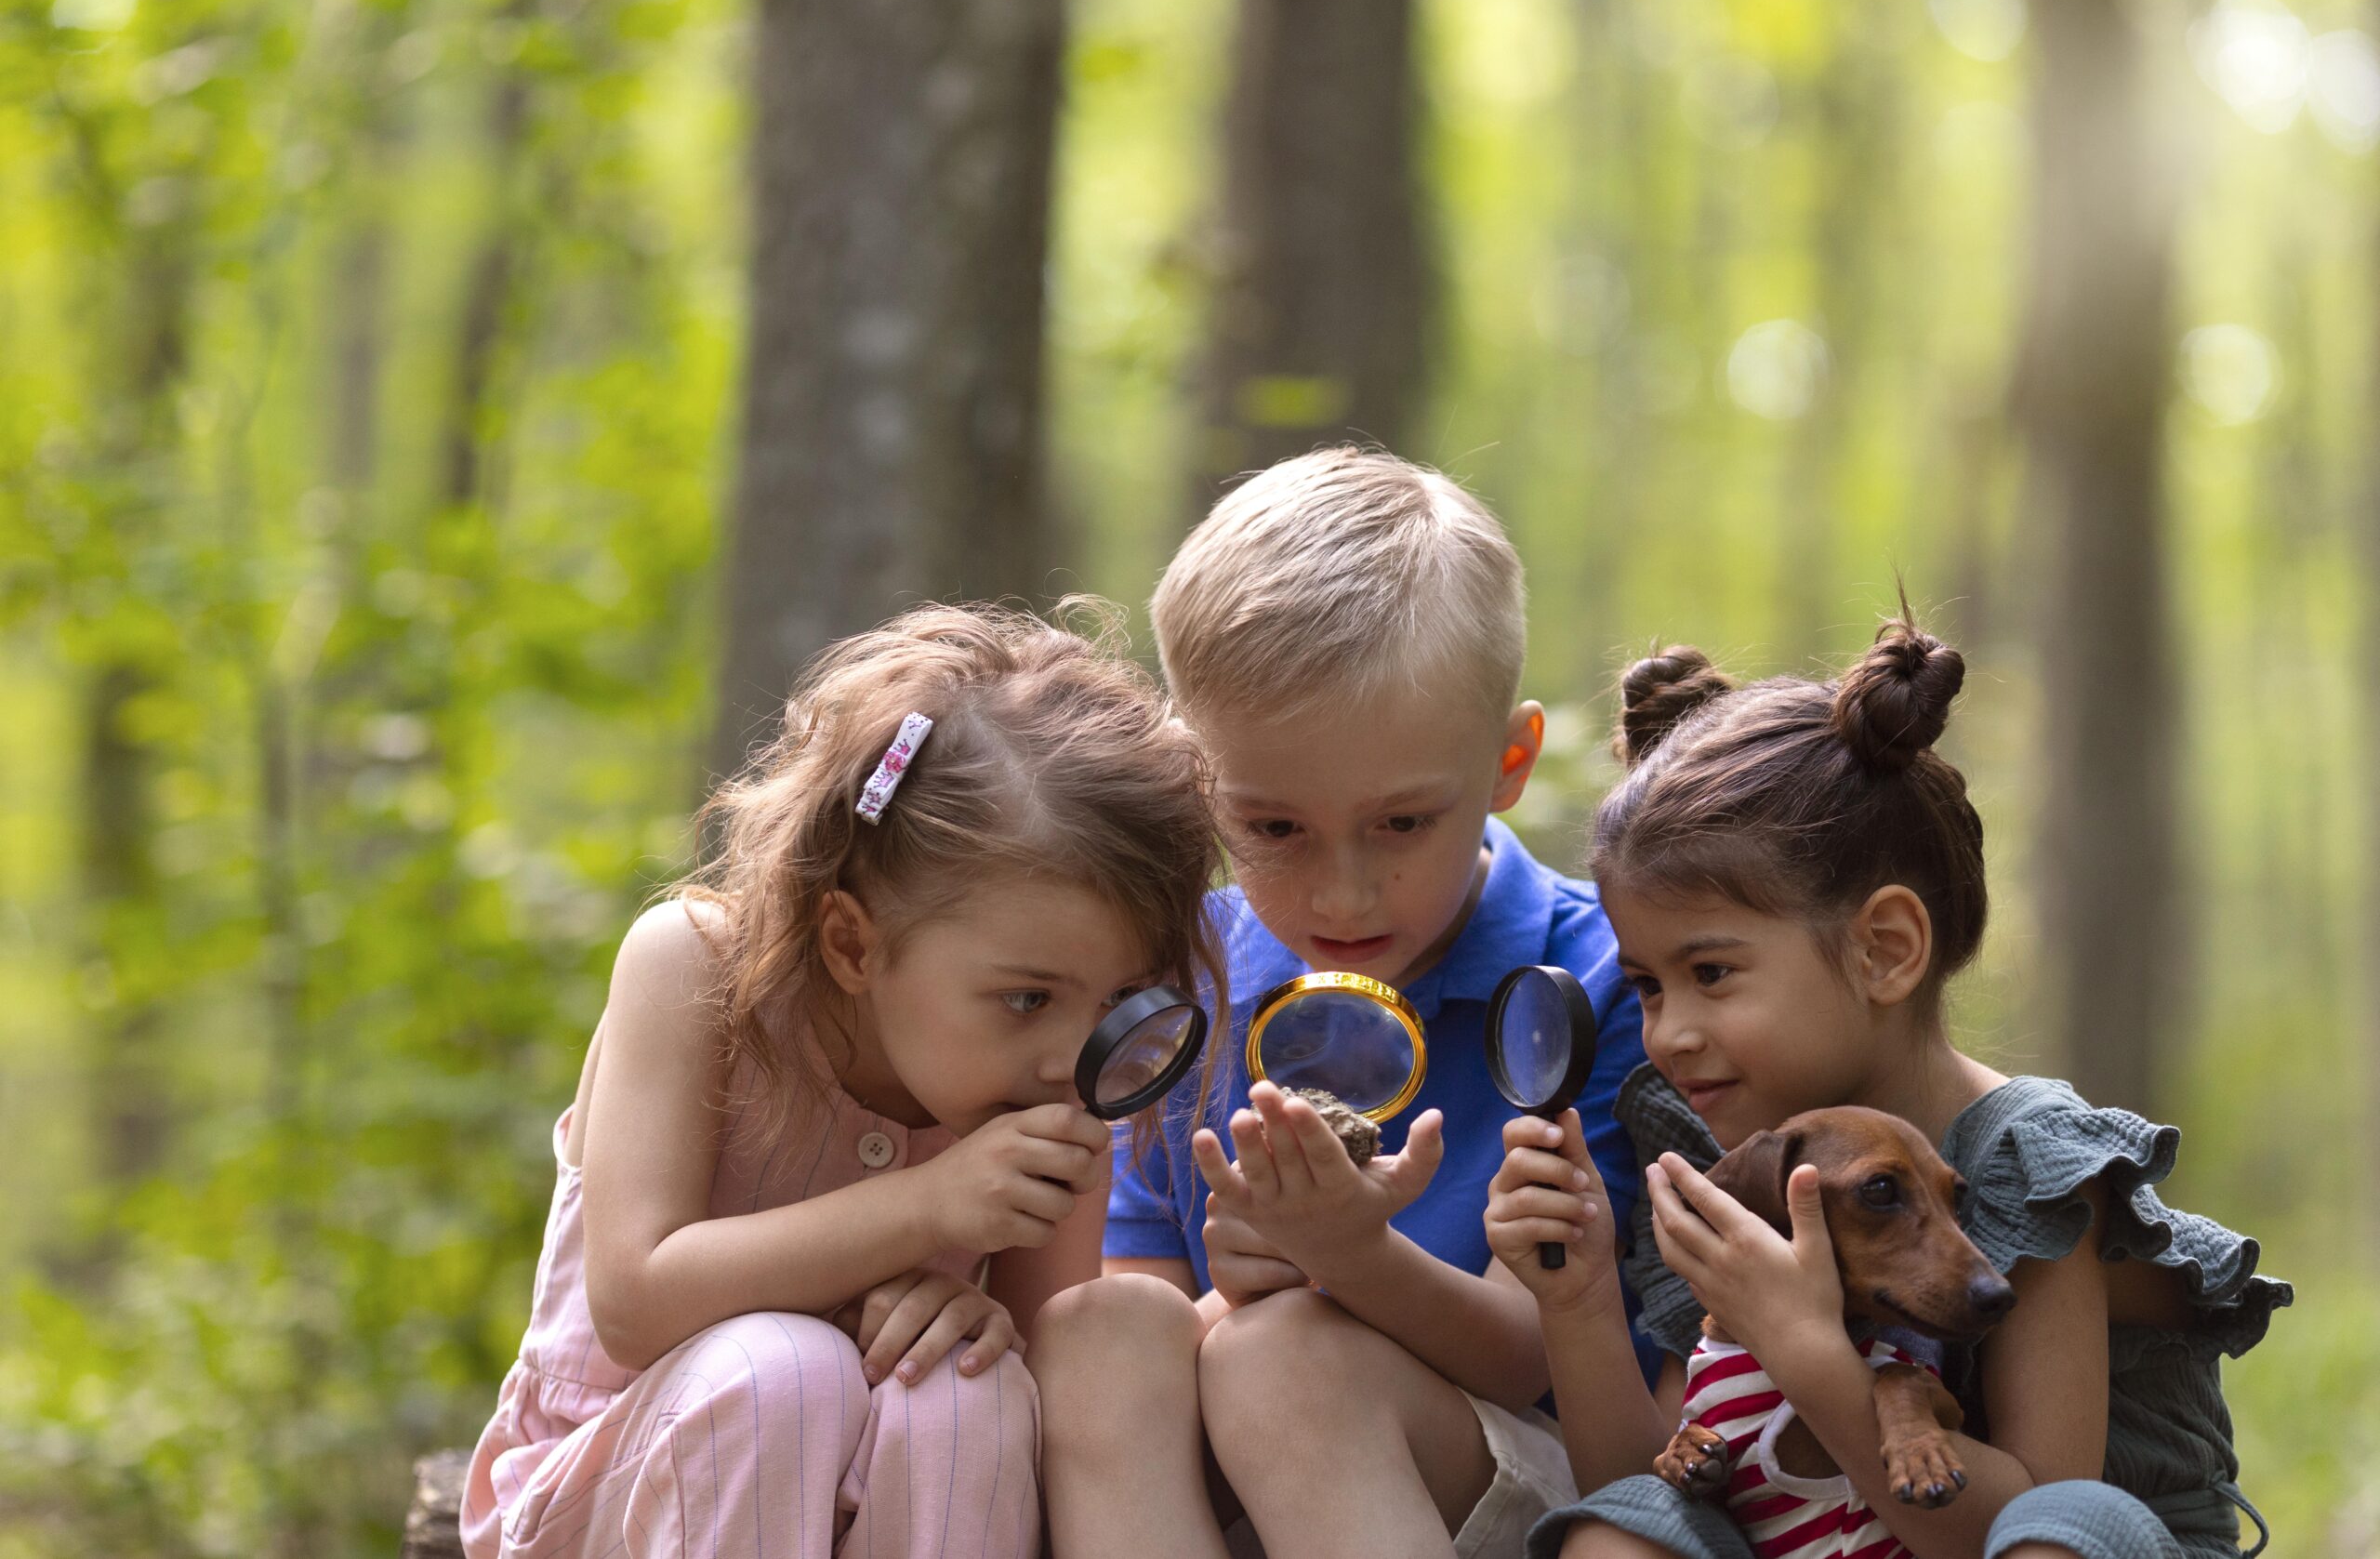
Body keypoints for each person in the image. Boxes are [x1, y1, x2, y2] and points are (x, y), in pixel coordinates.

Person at [1489, 612, 2290, 1559]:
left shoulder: (2024, 1163)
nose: (1666, 1033)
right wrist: (1576, 1303)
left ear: (1884, 949)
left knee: (2068, 1530)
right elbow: (1668, 1480)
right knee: (1615, 1535)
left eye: (1709, 975)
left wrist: (1805, 1352)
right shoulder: (1743, 1173)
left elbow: (2035, 1517)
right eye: (1645, 986)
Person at [456, 601, 1227, 1559]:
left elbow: (1045, 1373)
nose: (1070, 1060)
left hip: (869, 1505)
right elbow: (634, 1298)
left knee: (965, 1391)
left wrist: (978, 1321)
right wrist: (927, 1207)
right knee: (785, 1372)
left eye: (1118, 1001)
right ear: (854, 943)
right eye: (1028, 1000)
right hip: (601, 1493)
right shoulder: (696, 972)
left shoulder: (1059, 1098)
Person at [1030, 446, 1658, 1559]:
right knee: (1094, 1332)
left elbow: (1536, 1354)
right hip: (1241, 1474)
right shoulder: (1184, 987)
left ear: (1509, 762)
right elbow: (1147, 1328)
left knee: (1284, 1360)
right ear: (1195, 781)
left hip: (1524, 1485)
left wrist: (1349, 1259)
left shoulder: (1600, 976)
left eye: (1402, 823)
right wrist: (1237, 1287)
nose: (1342, 892)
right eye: (1273, 829)